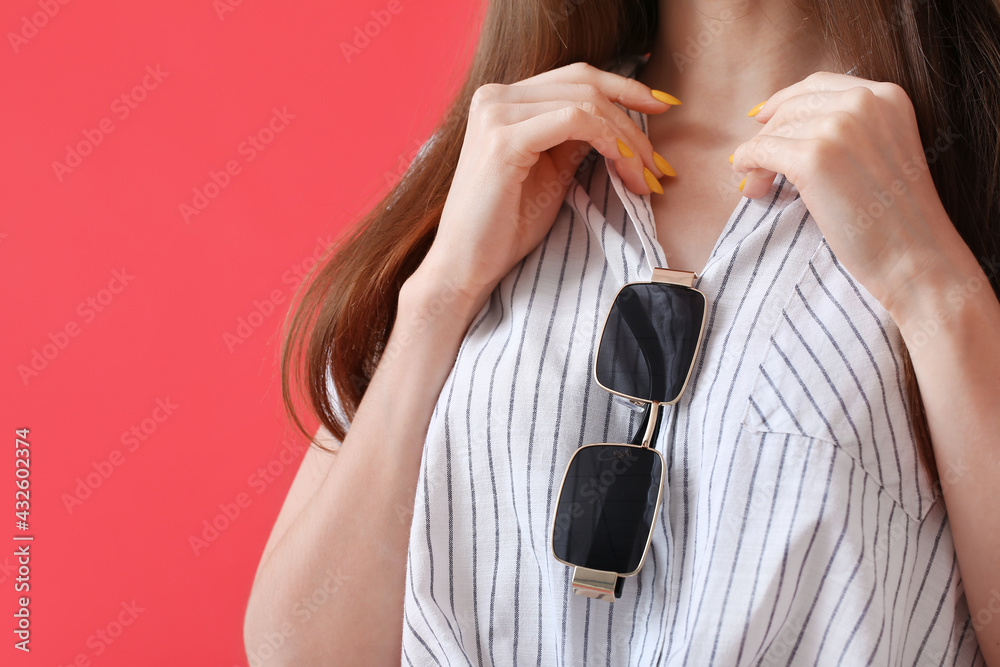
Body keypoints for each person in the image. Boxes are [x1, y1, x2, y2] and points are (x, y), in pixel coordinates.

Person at [244, 0, 1000, 664]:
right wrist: (443, 291)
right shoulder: (494, 164)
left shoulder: (971, 188)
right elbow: (299, 649)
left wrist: (933, 286)